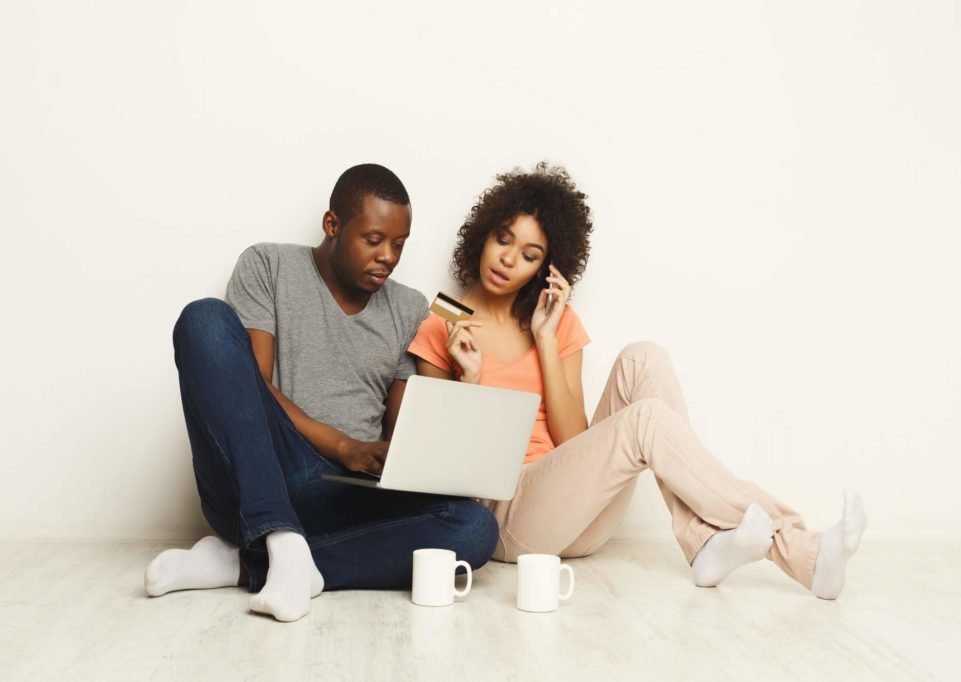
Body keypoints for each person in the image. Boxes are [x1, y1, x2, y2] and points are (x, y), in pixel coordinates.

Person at [408, 163, 867, 599]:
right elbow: (445, 469)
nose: (508, 260)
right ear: (483, 234)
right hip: (508, 519)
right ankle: (800, 550)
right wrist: (468, 377)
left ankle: (703, 539)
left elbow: (573, 439)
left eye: (529, 255)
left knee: (643, 358)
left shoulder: (555, 320)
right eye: (503, 240)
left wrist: (546, 342)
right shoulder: (445, 321)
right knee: (644, 420)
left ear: (546, 267)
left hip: (577, 511)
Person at [145, 164, 499, 622]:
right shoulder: (267, 266)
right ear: (333, 225)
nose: (388, 256)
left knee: (474, 530)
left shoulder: (410, 307)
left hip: (342, 497)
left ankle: (251, 562)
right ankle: (279, 536)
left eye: (399, 244)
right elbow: (252, 391)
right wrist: (343, 445)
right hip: (260, 474)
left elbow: (401, 434)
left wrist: (461, 379)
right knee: (204, 320)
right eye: (374, 240)